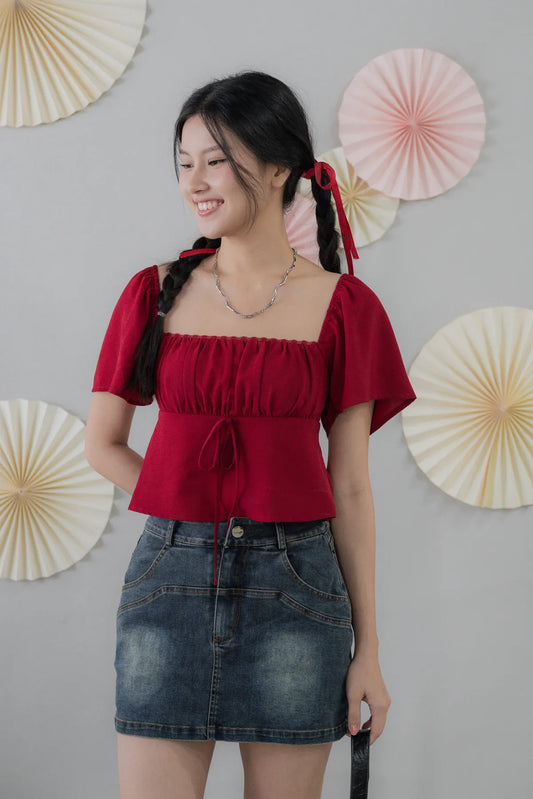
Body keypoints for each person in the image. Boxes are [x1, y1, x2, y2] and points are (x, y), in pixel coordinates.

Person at [85, 69, 417, 799]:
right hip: (167, 585)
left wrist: (368, 648)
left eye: (216, 160)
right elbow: (101, 443)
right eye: (185, 163)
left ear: (277, 168)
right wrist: (184, 502)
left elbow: (350, 487)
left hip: (296, 590)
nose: (195, 182)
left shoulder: (346, 307)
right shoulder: (152, 292)